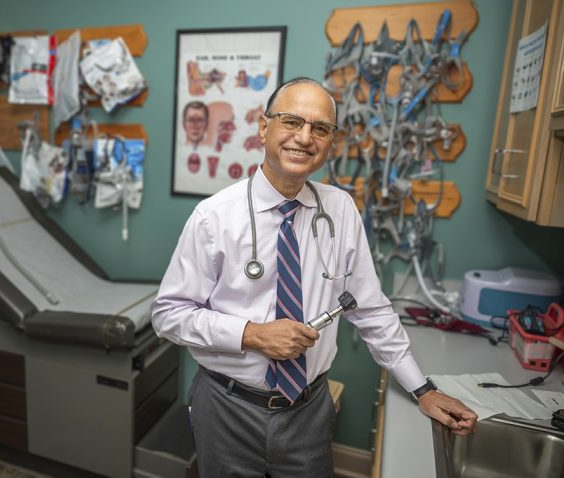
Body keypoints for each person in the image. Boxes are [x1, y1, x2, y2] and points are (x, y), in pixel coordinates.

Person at [152, 77, 477, 477]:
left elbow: (370, 308)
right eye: (291, 121)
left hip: (309, 409)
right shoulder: (214, 216)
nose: (304, 138)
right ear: (263, 126)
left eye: (320, 128)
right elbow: (168, 314)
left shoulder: (340, 211)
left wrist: (422, 389)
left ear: (330, 140)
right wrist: (253, 334)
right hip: (226, 407)